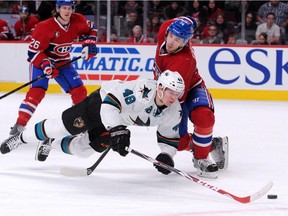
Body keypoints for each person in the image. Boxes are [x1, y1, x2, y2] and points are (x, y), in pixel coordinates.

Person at [1, 71, 185, 164]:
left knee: (84, 150)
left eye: (177, 94)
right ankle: (21, 138)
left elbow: (169, 136)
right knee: (62, 128)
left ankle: (51, 143)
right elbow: (110, 105)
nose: (173, 97)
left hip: (116, 122)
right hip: (100, 104)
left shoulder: (173, 111)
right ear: (160, 88)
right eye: (170, 92)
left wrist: (166, 155)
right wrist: (117, 130)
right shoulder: (142, 90)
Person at [153, 16, 228, 178]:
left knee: (204, 117)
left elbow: (176, 102)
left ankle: (201, 158)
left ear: (185, 42)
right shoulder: (166, 29)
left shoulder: (184, 61)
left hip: (190, 89)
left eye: (178, 40)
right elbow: (187, 20)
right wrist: (192, 20)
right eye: (171, 36)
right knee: (178, 143)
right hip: (169, 91)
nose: (171, 42)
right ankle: (211, 145)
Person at [8, 0, 98, 137]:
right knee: (37, 92)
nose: (67, 11)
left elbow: (92, 28)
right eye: (64, 8)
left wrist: (89, 42)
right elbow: (33, 53)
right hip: (42, 61)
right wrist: (46, 65)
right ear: (58, 9)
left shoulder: (78, 20)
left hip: (63, 62)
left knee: (80, 92)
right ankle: (19, 125)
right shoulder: (45, 27)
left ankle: (79, 124)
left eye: (70, 8)